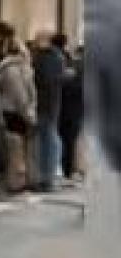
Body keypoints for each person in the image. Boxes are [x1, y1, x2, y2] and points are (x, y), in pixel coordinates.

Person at [0, 21, 37, 193]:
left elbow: (18, 93)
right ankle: (20, 180)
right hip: (18, 110)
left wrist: (26, 112)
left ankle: (15, 182)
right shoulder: (24, 64)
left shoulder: (9, 68)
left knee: (13, 149)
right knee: (18, 148)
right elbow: (30, 91)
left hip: (11, 111)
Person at [31, 32, 68, 192]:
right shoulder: (55, 56)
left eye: (38, 38)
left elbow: (45, 79)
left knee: (47, 141)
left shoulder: (48, 57)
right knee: (48, 140)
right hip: (49, 104)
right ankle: (47, 177)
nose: (34, 41)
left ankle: (47, 179)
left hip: (45, 104)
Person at [59, 42, 85, 180]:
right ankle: (77, 169)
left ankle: (68, 169)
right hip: (79, 107)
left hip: (69, 108)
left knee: (69, 140)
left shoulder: (74, 67)